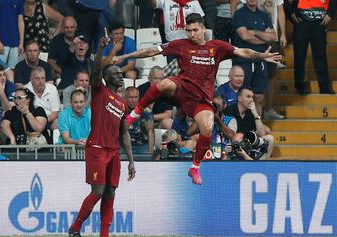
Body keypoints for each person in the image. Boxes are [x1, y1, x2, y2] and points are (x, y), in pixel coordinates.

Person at [114, 13, 281, 185]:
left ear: (203, 29)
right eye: (188, 31)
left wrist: (262, 56)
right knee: (163, 84)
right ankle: (134, 114)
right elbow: (151, 50)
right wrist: (125, 57)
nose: (192, 34)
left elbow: (242, 51)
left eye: (195, 30)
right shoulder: (180, 45)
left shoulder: (217, 47)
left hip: (200, 100)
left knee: (207, 128)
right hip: (181, 90)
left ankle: (194, 167)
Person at [68, 34, 136, 237]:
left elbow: (124, 132)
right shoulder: (100, 90)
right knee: (97, 191)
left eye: (120, 72)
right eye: (115, 73)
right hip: (97, 148)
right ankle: (75, 228)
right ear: (107, 78)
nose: (120, 75)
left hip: (113, 152)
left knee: (110, 192)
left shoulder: (122, 103)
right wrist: (100, 47)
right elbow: (96, 70)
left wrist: (131, 160)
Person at [289, 0, 336, 94]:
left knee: (320, 56)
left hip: (319, 23)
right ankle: (300, 86)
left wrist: (330, 14)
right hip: (301, 22)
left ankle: (324, 87)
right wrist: (290, 12)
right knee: (299, 56)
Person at [223, 87, 274, 159]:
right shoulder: (229, 111)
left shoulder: (251, 112)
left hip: (248, 145)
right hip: (233, 144)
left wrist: (255, 113)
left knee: (270, 139)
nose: (251, 100)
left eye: (252, 97)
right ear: (239, 98)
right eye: (248, 97)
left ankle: (263, 164)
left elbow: (262, 134)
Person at [0, 0, 25, 68]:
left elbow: (20, 21)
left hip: (15, 43)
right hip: (0, 43)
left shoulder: (19, 1)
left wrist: (21, 43)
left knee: (13, 71)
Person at [125, 86, 155, 154]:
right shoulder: (120, 109)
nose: (133, 100)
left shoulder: (146, 110)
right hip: (124, 145)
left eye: (136, 97)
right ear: (125, 98)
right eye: (131, 97)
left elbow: (151, 132)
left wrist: (150, 153)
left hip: (141, 145)